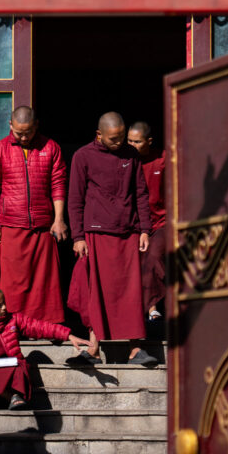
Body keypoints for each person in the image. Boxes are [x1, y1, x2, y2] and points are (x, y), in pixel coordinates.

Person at [67, 112, 156, 366]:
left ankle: (136, 349)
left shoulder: (131, 155)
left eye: (121, 138)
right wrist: (78, 236)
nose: (119, 143)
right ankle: (93, 349)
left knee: (130, 291)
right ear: (99, 135)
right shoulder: (83, 156)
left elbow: (140, 193)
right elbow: (75, 198)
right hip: (96, 233)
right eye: (113, 139)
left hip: (127, 231)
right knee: (97, 291)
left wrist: (145, 230)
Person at [0, 105, 68, 323]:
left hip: (42, 224)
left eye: (28, 132)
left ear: (36, 126)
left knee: (43, 282)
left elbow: (58, 184)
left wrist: (58, 220)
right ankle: (14, 324)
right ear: (10, 125)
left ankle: (44, 326)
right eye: (19, 132)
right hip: (12, 224)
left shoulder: (51, 148)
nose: (23, 137)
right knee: (12, 282)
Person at [0, 285, 89, 410]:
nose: (4, 307)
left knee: (19, 369)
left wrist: (68, 335)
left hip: (8, 364)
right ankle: (0, 395)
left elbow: (39, 327)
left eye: (4, 303)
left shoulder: (13, 319)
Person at [127, 122, 167, 321]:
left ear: (149, 141)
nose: (132, 145)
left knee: (153, 256)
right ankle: (149, 310)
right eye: (129, 141)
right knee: (136, 259)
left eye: (137, 142)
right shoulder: (124, 160)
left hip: (161, 222)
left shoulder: (162, 160)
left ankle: (152, 309)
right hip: (134, 224)